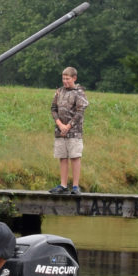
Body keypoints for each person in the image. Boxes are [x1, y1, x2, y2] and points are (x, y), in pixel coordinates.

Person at [49, 66, 89, 194]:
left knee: (75, 157)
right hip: (60, 131)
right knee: (62, 157)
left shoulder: (79, 92)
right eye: (63, 79)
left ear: (74, 78)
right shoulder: (59, 92)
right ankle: (63, 185)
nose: (65, 81)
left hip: (74, 132)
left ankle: (76, 186)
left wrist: (69, 126)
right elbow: (53, 108)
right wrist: (60, 124)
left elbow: (80, 112)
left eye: (67, 79)